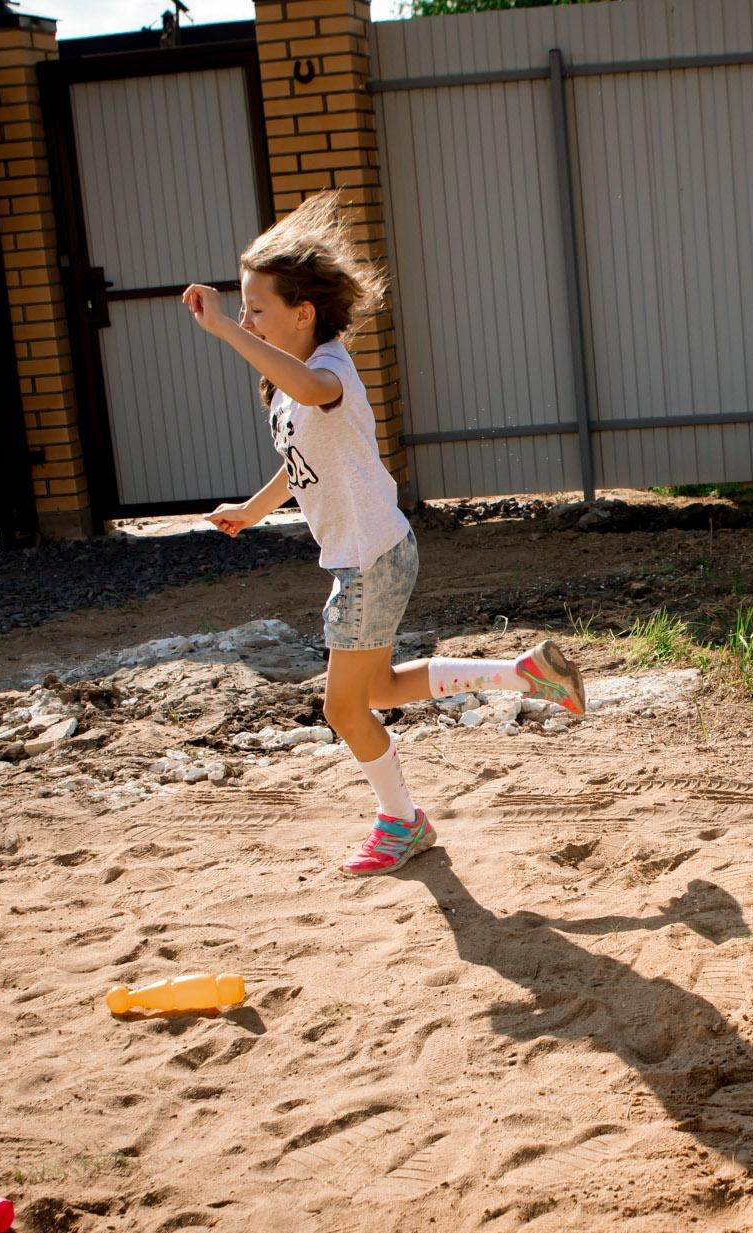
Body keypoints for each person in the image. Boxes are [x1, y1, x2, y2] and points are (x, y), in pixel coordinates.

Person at [182, 191, 586, 877]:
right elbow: (303, 462)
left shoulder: (327, 370)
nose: (246, 318)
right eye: (243, 309)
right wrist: (253, 510)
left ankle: (401, 821)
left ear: (302, 313)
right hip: (366, 556)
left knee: (343, 707)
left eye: (257, 308)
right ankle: (526, 674)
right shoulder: (287, 381)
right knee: (376, 692)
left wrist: (225, 330)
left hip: (370, 559)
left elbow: (313, 394)